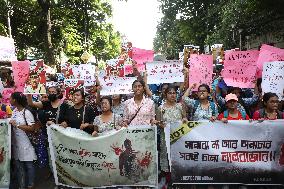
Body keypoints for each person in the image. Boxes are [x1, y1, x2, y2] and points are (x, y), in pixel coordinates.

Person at [9, 92, 37, 189]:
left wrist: (17, 125)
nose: (9, 100)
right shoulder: (14, 111)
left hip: (26, 142)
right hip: (16, 143)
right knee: (19, 166)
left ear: (15, 100)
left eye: (10, 98)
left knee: (29, 165)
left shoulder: (27, 112)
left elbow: (32, 128)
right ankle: (21, 185)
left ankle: (30, 184)